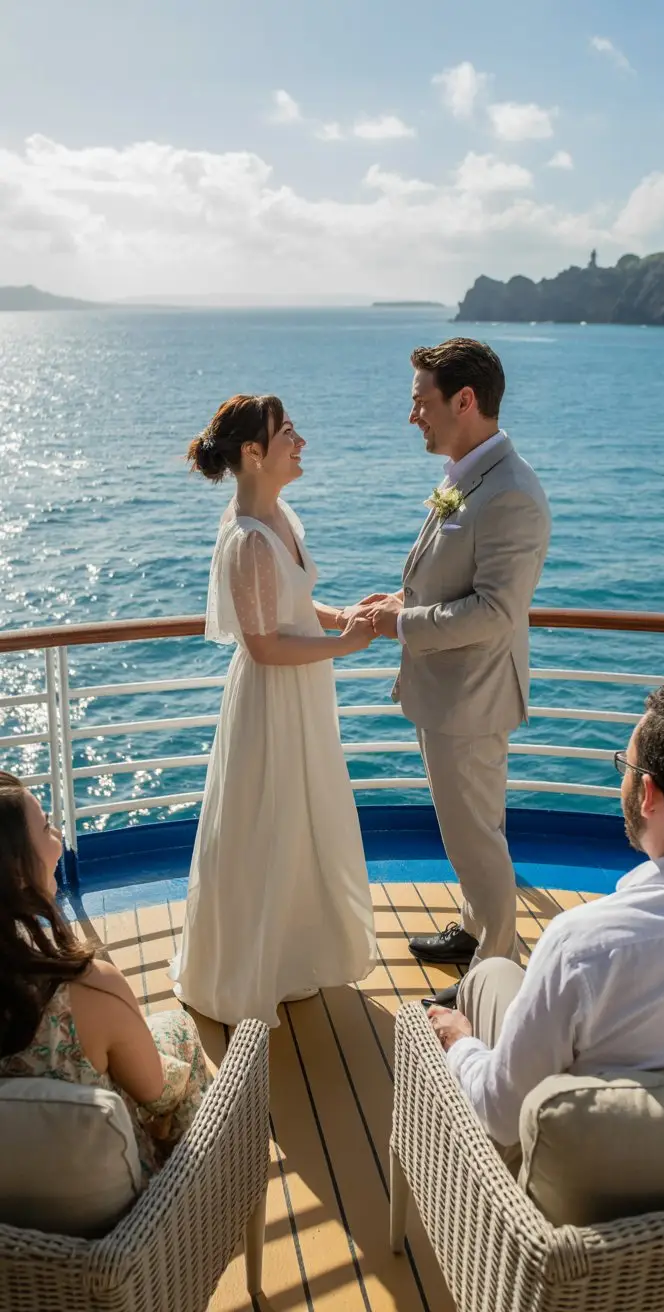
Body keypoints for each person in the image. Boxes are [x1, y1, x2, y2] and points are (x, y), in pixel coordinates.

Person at [428, 684, 664, 1149]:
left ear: (648, 794)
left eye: (626, 767)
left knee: (490, 975)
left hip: (588, 1189)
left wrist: (461, 1043)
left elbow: (502, 1116)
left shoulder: (584, 944)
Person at [344, 338, 550, 1006]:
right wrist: (403, 601)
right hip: (450, 690)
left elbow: (494, 610)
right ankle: (471, 927)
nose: (413, 418)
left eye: (420, 403)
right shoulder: (468, 474)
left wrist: (400, 626)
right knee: (465, 828)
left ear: (465, 400)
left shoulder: (511, 493)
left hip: (472, 696)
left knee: (475, 837)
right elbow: (455, 578)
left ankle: (494, 966)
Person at [171, 394, 377, 1027]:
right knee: (266, 823)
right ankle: (242, 976)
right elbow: (261, 645)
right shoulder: (248, 540)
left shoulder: (280, 515)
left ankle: (289, 958)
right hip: (273, 698)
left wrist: (340, 616)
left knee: (299, 820)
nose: (301, 440)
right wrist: (345, 645)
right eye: (288, 431)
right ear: (254, 453)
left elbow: (290, 604)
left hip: (302, 691)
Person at [0, 771, 211, 1184]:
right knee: (178, 1031)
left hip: (11, 1225)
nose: (58, 835)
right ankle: (211, 1200)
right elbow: (157, 1092)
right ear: (17, 871)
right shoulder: (87, 989)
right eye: (45, 826)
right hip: (109, 1214)